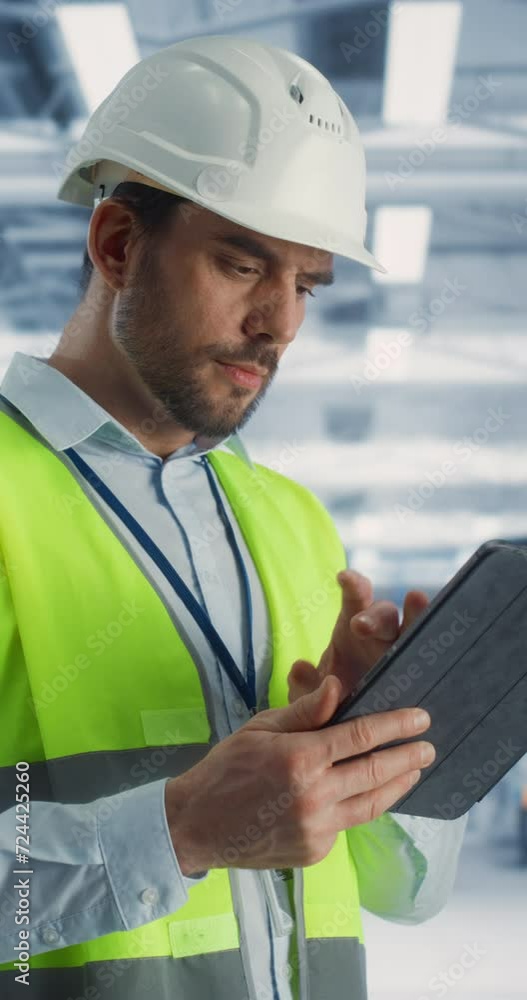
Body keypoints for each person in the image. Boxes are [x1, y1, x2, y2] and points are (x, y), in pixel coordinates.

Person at [0, 34, 467, 1000]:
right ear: (119, 245)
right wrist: (179, 832)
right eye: (244, 264)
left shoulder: (293, 523)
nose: (283, 323)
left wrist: (386, 738)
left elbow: (401, 896)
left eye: (305, 283)